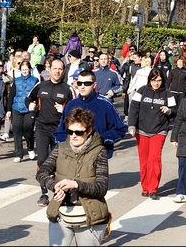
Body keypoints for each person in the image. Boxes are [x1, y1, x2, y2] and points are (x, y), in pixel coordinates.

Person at [36, 107, 110, 246]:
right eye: (70, 131)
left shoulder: (99, 152)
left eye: (78, 132)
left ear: (88, 131)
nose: (73, 135)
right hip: (61, 213)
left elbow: (102, 188)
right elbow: (42, 172)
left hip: (89, 216)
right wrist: (54, 186)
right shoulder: (60, 148)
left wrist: (76, 184)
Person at [26, 59, 75, 207]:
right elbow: (28, 98)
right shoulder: (41, 85)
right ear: (50, 69)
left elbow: (75, 109)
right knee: (42, 160)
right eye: (55, 68)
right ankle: (44, 193)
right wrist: (30, 105)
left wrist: (64, 111)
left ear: (63, 71)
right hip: (41, 128)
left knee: (58, 163)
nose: (57, 71)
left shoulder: (68, 89)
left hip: (59, 129)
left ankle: (59, 191)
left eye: (60, 69)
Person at [54, 70, 127, 159]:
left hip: (97, 154)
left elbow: (120, 129)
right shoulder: (70, 105)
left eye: (87, 83)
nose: (82, 86)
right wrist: (66, 144)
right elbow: (60, 131)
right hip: (73, 155)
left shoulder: (106, 105)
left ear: (94, 85)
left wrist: (101, 139)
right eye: (79, 83)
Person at [128, 68, 177, 200]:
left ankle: (153, 189)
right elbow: (133, 109)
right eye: (154, 80)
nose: (156, 83)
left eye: (159, 80)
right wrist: (131, 125)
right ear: (149, 80)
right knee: (144, 161)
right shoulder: (142, 91)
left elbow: (175, 111)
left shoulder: (167, 93)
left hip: (159, 130)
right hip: (141, 130)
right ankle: (145, 187)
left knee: (154, 160)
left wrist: (168, 111)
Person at [6, 61, 39, 163]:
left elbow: (38, 95)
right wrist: (8, 110)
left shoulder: (35, 80)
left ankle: (30, 148)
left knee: (28, 130)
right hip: (16, 108)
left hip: (29, 109)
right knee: (17, 130)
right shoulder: (16, 80)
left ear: (30, 69)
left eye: (26, 69)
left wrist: (35, 105)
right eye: (23, 69)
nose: (24, 71)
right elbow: (11, 95)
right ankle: (19, 154)